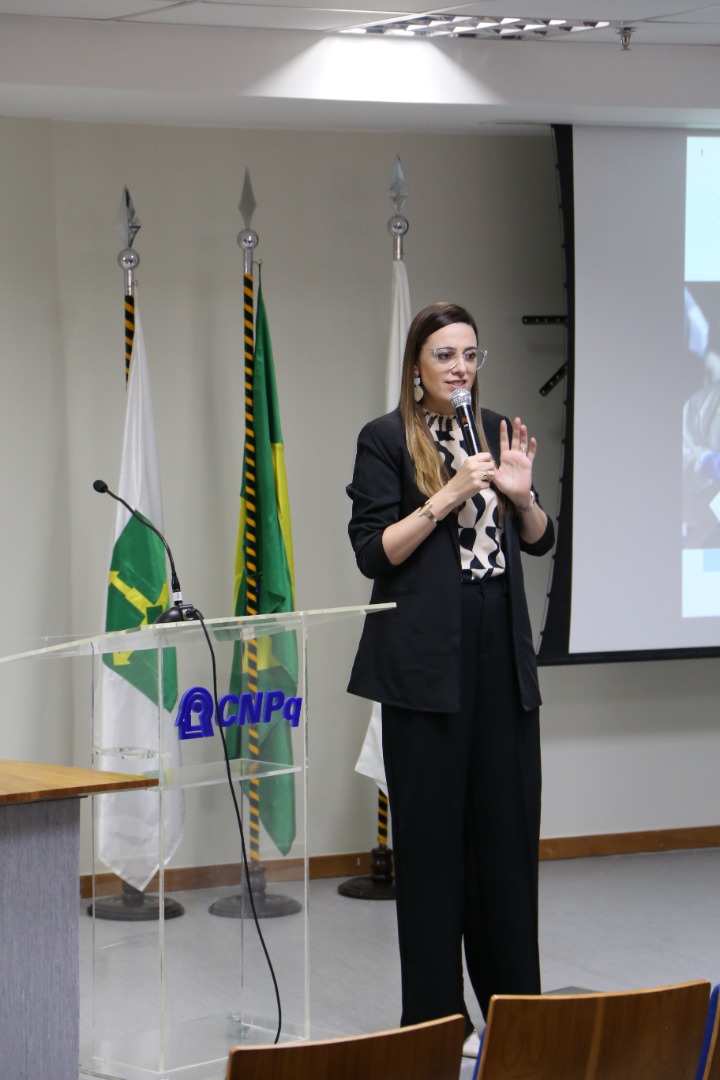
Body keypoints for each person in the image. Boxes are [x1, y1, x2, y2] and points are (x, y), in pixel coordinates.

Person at [346, 301, 555, 1054]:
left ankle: (515, 1013)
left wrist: (522, 498)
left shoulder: (496, 430)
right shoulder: (384, 439)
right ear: (417, 366)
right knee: (433, 849)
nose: (460, 367)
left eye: (470, 354)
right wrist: (449, 494)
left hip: (499, 651)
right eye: (444, 355)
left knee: (506, 842)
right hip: (424, 660)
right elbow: (375, 552)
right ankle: (438, 1021)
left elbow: (539, 539)